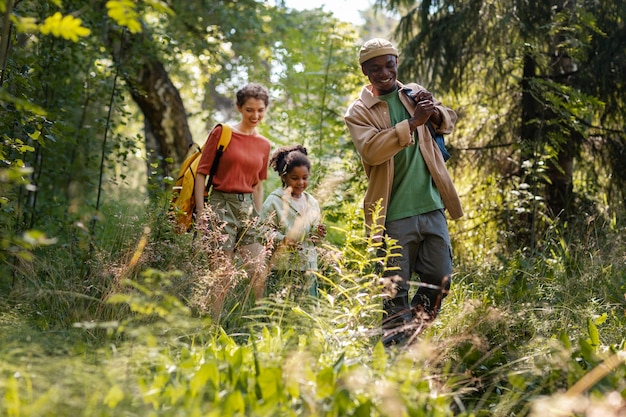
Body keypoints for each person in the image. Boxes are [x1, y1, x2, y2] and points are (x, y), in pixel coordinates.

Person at [343, 38, 464, 346]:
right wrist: (412, 124)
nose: (384, 73)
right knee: (394, 290)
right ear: (364, 72)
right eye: (375, 68)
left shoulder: (412, 92)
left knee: (441, 278)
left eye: (389, 65)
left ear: (397, 63)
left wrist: (432, 111)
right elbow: (371, 151)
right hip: (393, 211)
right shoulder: (359, 110)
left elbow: (448, 120)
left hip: (432, 203)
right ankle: (398, 357)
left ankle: (411, 335)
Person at [194, 83, 271, 314]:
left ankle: (259, 323)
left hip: (248, 207)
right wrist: (202, 214)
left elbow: (258, 185)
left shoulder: (264, 144)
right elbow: (201, 173)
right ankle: (213, 328)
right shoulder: (222, 133)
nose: (255, 115)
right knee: (222, 275)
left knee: (258, 270)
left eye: (260, 110)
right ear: (239, 107)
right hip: (220, 204)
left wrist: (258, 218)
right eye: (249, 109)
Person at [260, 145, 326, 298]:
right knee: (281, 309)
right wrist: (283, 240)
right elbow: (261, 231)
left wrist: (318, 232)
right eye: (295, 178)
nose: (300, 183)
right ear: (284, 177)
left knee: (308, 307)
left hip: (308, 266)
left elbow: (314, 235)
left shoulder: (312, 202)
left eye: (305, 178)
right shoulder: (274, 201)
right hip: (282, 267)